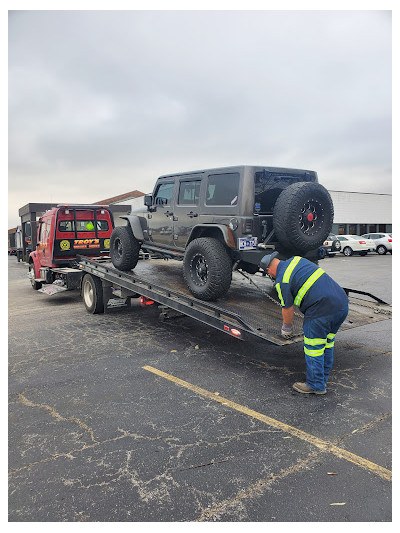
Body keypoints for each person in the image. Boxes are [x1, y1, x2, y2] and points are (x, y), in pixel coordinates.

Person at [260, 251, 349, 395]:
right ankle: (322, 379)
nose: (271, 276)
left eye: (269, 273)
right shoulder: (296, 259)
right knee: (326, 344)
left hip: (321, 310)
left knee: (313, 348)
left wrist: (286, 329)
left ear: (269, 270)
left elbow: (287, 308)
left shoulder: (282, 280)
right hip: (341, 305)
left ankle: (315, 385)